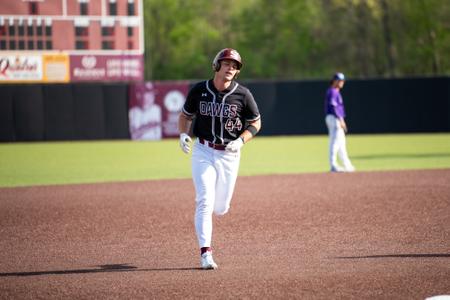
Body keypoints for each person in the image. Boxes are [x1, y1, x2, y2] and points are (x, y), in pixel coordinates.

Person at [178, 48, 261, 270]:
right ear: (216, 65)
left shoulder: (242, 94)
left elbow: (256, 123)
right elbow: (186, 115)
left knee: (221, 207)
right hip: (203, 151)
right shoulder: (199, 90)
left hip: (229, 154)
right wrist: (184, 134)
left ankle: (218, 208)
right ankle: (206, 253)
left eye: (235, 66)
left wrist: (242, 140)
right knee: (204, 200)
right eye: (227, 64)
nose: (231, 68)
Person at [324, 72, 355, 172]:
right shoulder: (332, 91)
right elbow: (334, 107)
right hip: (334, 118)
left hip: (336, 118)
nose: (342, 82)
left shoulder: (336, 91)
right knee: (335, 142)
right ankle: (333, 165)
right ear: (334, 81)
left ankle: (347, 165)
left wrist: (341, 119)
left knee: (341, 142)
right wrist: (341, 119)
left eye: (342, 80)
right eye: (340, 80)